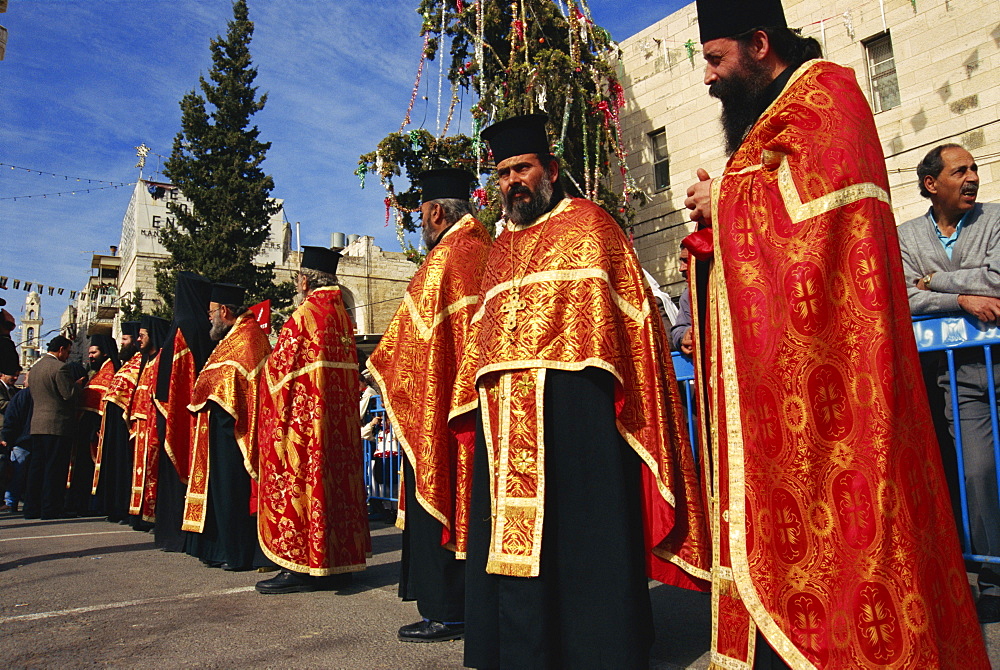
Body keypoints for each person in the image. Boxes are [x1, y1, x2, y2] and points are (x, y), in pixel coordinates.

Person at [682, 1, 987, 666]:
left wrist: (726, 200)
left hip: (844, 396)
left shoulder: (828, 97)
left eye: (714, 59)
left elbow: (812, 229)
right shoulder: (777, 115)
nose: (707, 79)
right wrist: (723, 216)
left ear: (759, 42)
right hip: (788, 405)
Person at [451, 114, 708, 669]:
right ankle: (522, 649)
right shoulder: (498, 250)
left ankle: (599, 649)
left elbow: (632, 331)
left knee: (584, 538)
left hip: (577, 414)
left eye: (522, 168)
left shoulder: (591, 226)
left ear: (551, 169)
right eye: (501, 174)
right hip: (506, 423)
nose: (512, 182)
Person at [368, 168, 492, 642]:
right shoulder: (484, 250)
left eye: (421, 215)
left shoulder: (443, 261)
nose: (422, 223)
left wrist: (378, 370)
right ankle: (467, 601)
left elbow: (406, 346)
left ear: (436, 212)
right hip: (481, 410)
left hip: (443, 411)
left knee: (441, 497)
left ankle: (445, 607)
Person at [897, 144, 1000, 622]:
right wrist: (960, 297)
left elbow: (998, 279)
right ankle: (995, 577)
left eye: (975, 168)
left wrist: (933, 282)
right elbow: (901, 295)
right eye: (961, 170)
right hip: (958, 380)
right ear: (930, 184)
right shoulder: (906, 236)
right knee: (977, 473)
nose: (973, 176)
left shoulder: (996, 219)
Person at [255, 246, 371, 594]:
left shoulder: (304, 316)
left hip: (305, 429)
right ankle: (339, 565)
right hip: (339, 430)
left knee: (304, 487)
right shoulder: (341, 318)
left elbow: (277, 374)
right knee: (338, 489)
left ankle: (301, 565)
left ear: (304, 281)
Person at [184, 283, 272, 571]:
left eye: (211, 312)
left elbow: (236, 382)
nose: (209, 318)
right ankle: (218, 548)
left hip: (237, 432)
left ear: (224, 311)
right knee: (219, 491)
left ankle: (236, 552)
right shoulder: (230, 339)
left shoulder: (248, 338)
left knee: (232, 491)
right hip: (218, 429)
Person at [154, 272, 216, 552]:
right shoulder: (193, 326)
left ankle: (170, 534)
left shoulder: (176, 326)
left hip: (169, 415)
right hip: (189, 416)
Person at [24, 335, 83, 519]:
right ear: (61, 350)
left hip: (37, 425)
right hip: (57, 425)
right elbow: (68, 394)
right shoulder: (60, 368)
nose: (68, 355)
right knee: (54, 469)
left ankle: (32, 507)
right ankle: (51, 508)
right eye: (68, 351)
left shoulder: (35, 368)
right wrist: (78, 386)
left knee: (36, 468)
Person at [66, 334, 120, 515]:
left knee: (90, 469)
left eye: (94, 352)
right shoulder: (97, 373)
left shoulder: (110, 372)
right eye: (89, 353)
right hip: (86, 432)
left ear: (104, 353)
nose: (90, 356)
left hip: (96, 433)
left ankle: (90, 505)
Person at [94, 321, 142, 522]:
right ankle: (114, 507)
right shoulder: (127, 364)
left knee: (125, 466)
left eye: (125, 339)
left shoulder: (140, 362)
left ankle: (123, 508)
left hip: (125, 425)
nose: (122, 343)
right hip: (113, 426)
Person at [129, 315, 170, 528]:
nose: (139, 340)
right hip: (142, 427)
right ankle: (140, 513)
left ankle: (151, 515)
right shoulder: (146, 361)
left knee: (154, 472)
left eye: (143, 336)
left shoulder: (161, 359)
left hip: (155, 426)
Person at [1, 369, 29, 513]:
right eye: (12, 374)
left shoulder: (15, 391)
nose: (16, 377)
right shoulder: (17, 395)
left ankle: (10, 501)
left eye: (18, 375)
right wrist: (17, 402)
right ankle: (8, 500)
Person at [669, 245, 694, 357]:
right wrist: (684, 334)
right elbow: (678, 329)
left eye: (686, 261)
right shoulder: (688, 295)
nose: (681, 268)